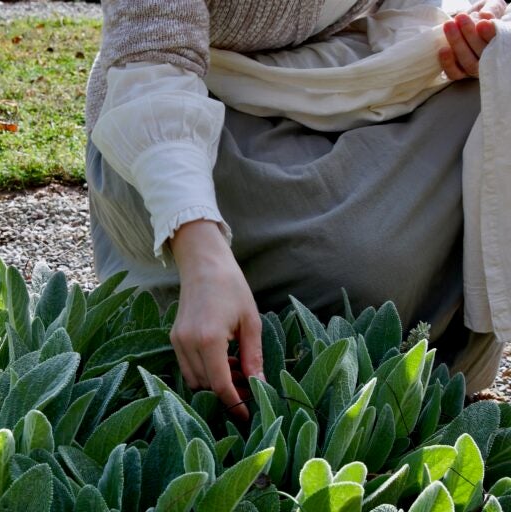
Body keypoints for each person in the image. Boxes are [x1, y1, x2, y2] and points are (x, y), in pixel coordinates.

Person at [85, 0, 508, 420]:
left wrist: (455, 41)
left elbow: (403, 12)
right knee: (354, 274)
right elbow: (152, 64)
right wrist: (200, 250)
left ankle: (405, 369)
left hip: (325, 89)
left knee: (496, 90)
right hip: (175, 127)